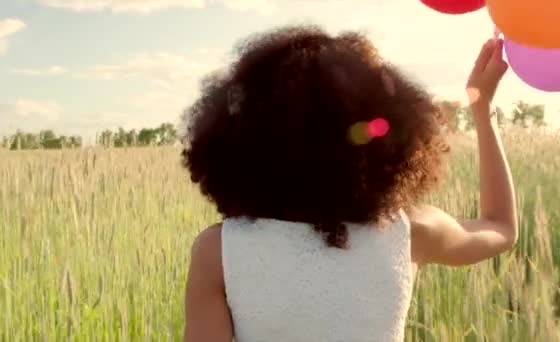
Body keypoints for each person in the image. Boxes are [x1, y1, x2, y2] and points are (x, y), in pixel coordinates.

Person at [181, 25, 517, 342]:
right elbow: (501, 227)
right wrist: (482, 108)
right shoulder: (407, 231)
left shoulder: (219, 251)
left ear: (247, 140)